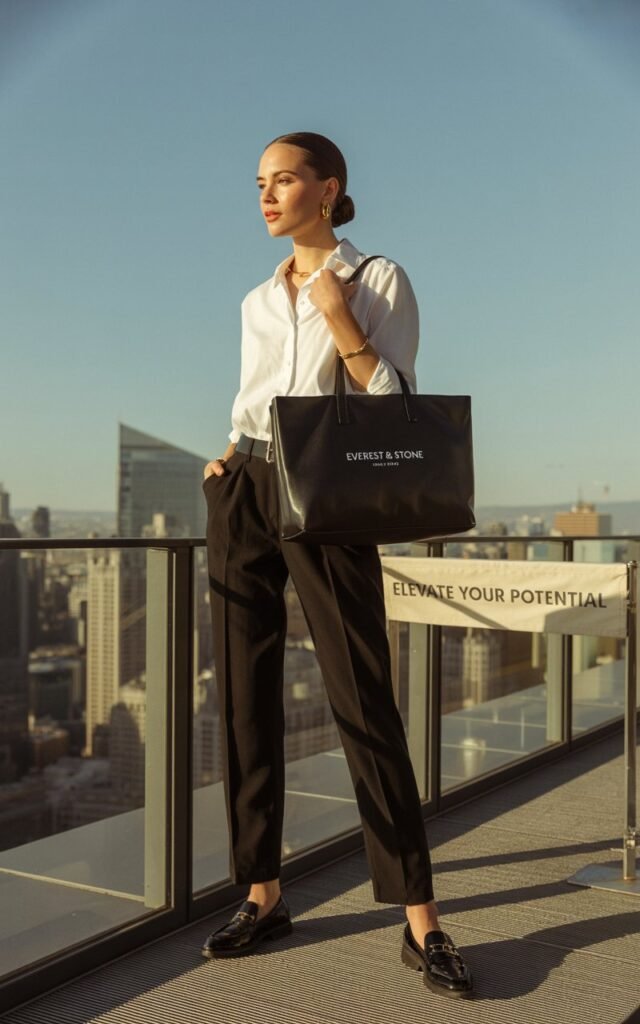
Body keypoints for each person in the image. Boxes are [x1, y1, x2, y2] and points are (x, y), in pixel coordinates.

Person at [200, 131, 473, 1000]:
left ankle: (420, 919)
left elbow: (390, 406)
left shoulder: (377, 277)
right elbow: (255, 398)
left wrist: (340, 316)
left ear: (329, 188)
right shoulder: (252, 299)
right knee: (246, 697)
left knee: (362, 697)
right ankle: (262, 892)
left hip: (327, 494)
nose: (267, 195)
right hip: (244, 486)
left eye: (284, 179)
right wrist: (225, 455)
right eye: (259, 183)